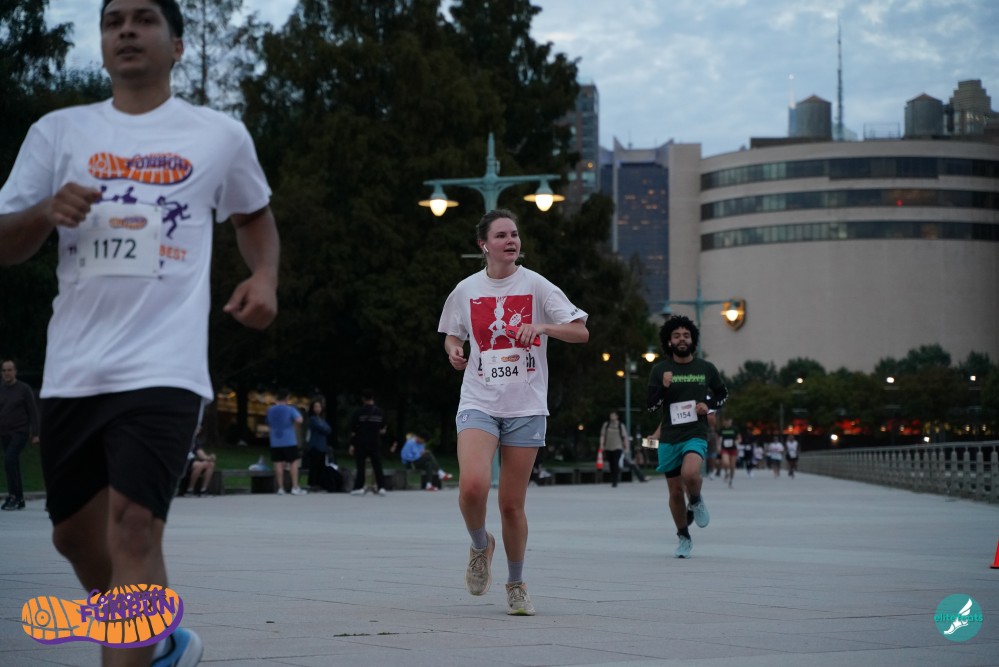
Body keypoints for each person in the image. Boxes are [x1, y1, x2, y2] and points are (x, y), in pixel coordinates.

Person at [0, 1, 280, 663]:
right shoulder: (58, 132)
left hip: (165, 364)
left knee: (133, 528)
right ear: (102, 43)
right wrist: (45, 211)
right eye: (113, 20)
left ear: (176, 45)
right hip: (75, 366)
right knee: (74, 536)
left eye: (144, 18)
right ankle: (158, 641)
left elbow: (253, 217)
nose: (126, 29)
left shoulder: (218, 135)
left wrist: (265, 276)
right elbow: (6, 244)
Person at [439, 208, 589, 616]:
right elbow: (452, 333)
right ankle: (479, 545)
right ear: (483, 245)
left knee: (510, 504)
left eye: (515, 234)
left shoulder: (537, 285)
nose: (511, 241)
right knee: (472, 487)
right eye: (502, 235)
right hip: (479, 400)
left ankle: (516, 583)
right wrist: (454, 349)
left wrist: (542, 327)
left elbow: (580, 331)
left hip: (526, 406)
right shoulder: (466, 289)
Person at [646, 315, 727, 559]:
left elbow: (722, 394)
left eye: (686, 335)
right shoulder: (660, 370)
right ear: (669, 341)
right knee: (674, 492)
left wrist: (708, 405)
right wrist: (664, 388)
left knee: (690, 473)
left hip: (695, 433)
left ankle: (696, 500)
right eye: (677, 336)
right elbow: (651, 405)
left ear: (693, 340)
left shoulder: (706, 368)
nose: (682, 339)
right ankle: (683, 536)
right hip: (670, 437)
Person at [1, 359, 40, 510]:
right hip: (5, 433)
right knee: (13, 463)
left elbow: (33, 411)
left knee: (9, 459)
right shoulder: (1, 389)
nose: (7, 373)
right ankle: (19, 499)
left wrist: (35, 433)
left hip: (20, 431)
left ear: (15, 372)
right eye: (4, 370)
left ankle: (13, 496)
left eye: (9, 370)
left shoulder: (24, 389)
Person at [348, 390, 388, 496]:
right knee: (377, 465)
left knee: (361, 466)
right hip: (375, 442)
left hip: (361, 442)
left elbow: (353, 430)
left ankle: (359, 487)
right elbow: (383, 429)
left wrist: (352, 444)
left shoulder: (359, 412)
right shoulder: (380, 412)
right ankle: (381, 487)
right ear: (373, 398)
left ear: (363, 399)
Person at [266, 391, 306, 496]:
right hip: (289, 440)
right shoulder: (290, 409)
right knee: (293, 462)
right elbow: (299, 420)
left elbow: (268, 422)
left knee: (278, 463)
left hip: (275, 441)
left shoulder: (270, 409)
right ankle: (295, 487)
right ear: (287, 398)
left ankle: (280, 488)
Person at [305, 398, 335, 491]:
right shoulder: (312, 419)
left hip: (322, 446)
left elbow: (328, 429)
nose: (318, 409)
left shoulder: (322, 419)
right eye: (316, 407)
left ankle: (320, 483)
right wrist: (325, 428)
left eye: (319, 407)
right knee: (314, 465)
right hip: (315, 445)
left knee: (321, 465)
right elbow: (322, 428)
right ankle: (313, 483)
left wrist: (325, 428)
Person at [181, 426, 216, 497]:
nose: (198, 430)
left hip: (192, 461)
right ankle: (189, 490)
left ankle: (203, 490)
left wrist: (209, 458)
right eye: (197, 428)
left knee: (210, 464)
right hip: (183, 461)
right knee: (199, 465)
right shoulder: (183, 438)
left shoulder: (195, 441)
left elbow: (201, 454)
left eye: (199, 429)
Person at [599, 411, 627, 487]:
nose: (612, 417)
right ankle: (613, 476)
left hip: (618, 446)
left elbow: (624, 437)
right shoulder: (606, 425)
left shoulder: (620, 425)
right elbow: (602, 435)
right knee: (611, 463)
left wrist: (625, 446)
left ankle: (615, 479)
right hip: (608, 447)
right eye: (611, 415)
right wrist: (601, 445)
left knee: (615, 462)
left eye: (613, 415)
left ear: (617, 416)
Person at [718, 417, 740, 488]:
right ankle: (726, 472)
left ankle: (731, 480)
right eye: (726, 421)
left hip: (733, 448)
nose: (727, 422)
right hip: (724, 448)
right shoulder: (721, 430)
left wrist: (737, 441)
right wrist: (718, 446)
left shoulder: (735, 429)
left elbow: (739, 438)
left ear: (731, 421)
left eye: (728, 421)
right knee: (726, 462)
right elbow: (719, 439)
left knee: (732, 466)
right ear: (724, 421)